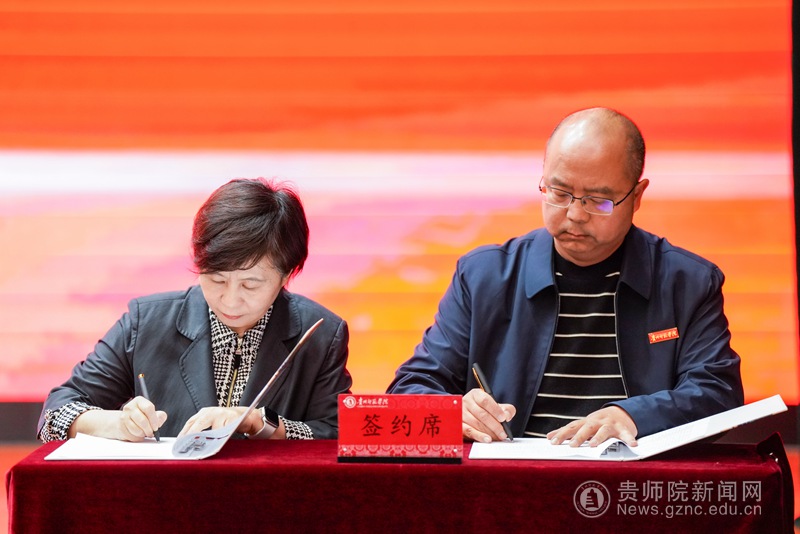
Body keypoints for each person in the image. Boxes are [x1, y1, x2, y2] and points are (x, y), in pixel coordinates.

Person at [387, 107, 743, 447]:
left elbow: (718, 393)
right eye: (559, 193)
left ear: (636, 197)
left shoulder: (688, 283)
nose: (575, 214)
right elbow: (410, 389)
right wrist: (454, 412)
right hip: (511, 479)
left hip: (632, 480)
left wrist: (635, 416)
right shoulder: (484, 277)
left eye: (598, 200)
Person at [38, 178, 352, 442]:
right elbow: (55, 414)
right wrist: (113, 423)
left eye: (250, 285)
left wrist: (262, 424)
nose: (230, 300)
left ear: (287, 275)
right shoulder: (146, 322)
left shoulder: (321, 334)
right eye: (216, 280)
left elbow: (338, 433)